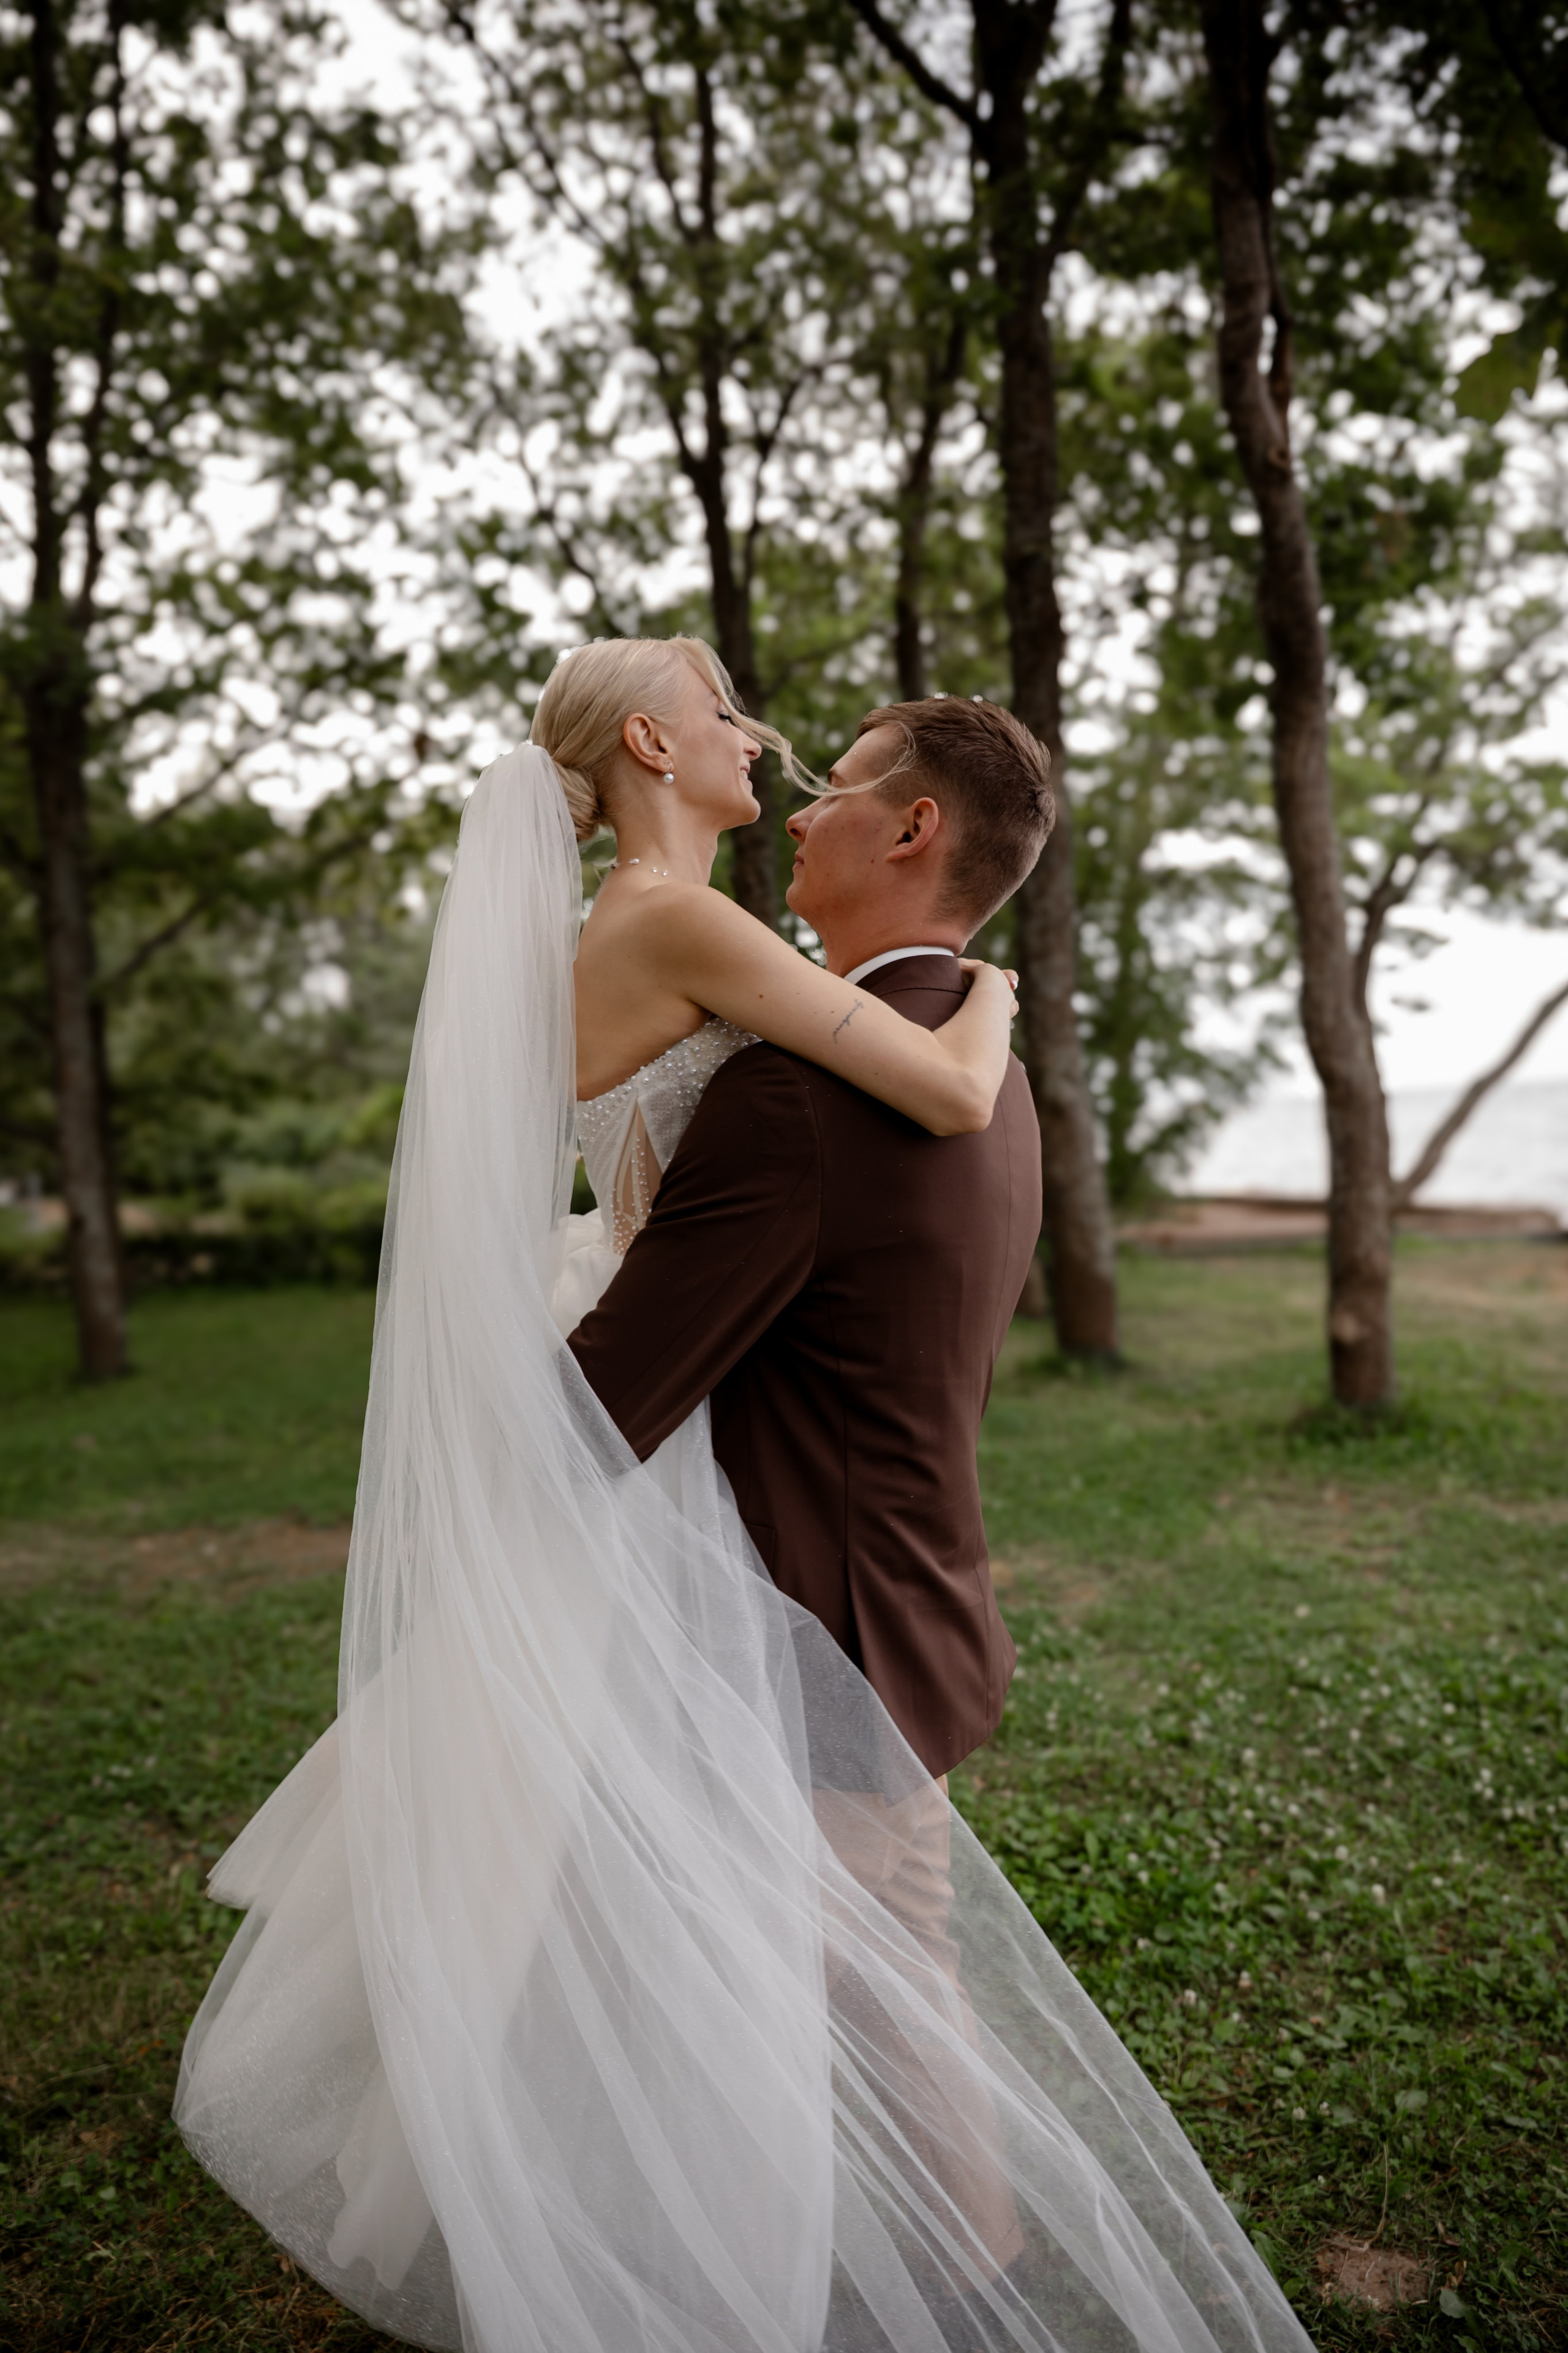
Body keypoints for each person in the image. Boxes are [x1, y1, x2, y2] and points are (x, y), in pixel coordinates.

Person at [175, 636, 1314, 2353]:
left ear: (916, 826)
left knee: (750, 1944)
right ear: (651, 737)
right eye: (740, 726)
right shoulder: (875, 1027)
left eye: (835, 777)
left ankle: (813, 2258)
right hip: (844, 1553)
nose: (783, 774)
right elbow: (915, 1090)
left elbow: (644, 1344)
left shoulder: (789, 1063)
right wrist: (992, 986)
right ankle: (808, 2247)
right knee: (759, 1941)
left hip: (809, 1575)